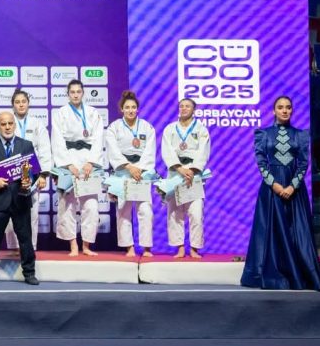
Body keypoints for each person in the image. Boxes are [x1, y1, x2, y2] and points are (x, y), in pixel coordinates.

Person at [241, 97, 320, 290]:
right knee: (271, 229)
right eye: (280, 107)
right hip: (271, 189)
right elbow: (261, 162)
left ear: (292, 110)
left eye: (288, 107)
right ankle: (270, 273)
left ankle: (298, 273)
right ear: (273, 111)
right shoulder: (263, 134)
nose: (284, 111)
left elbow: (303, 164)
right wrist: (274, 184)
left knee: (296, 230)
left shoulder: (301, 135)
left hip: (294, 189)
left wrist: (292, 186)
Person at [0, 111, 41, 286]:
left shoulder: (26, 145)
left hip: (21, 200)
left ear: (14, 125)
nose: (7, 127)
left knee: (25, 239)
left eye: (10, 123)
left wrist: (29, 181)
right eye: (3, 124)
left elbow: (35, 171)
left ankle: (29, 273)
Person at [50, 79, 105, 256]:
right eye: (72, 92)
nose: (75, 95)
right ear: (68, 94)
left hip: (88, 162)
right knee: (67, 205)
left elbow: (98, 138)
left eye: (78, 92)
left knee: (91, 206)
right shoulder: (60, 113)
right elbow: (57, 140)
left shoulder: (93, 113)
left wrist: (91, 162)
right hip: (68, 162)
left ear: (83, 93)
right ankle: (73, 245)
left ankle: (86, 246)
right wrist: (68, 164)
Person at [105, 90, 157, 257]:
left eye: (133, 107)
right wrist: (129, 167)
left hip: (141, 173)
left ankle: (147, 247)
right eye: (127, 107)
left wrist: (139, 169)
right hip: (123, 172)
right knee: (123, 211)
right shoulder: (114, 127)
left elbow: (150, 152)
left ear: (138, 109)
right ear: (122, 109)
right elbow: (113, 151)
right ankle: (129, 247)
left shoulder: (147, 127)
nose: (130, 110)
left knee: (146, 211)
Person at [160, 98, 211, 259]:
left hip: (194, 174)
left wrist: (192, 170)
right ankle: (180, 248)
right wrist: (180, 168)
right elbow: (167, 151)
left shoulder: (201, 129)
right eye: (181, 106)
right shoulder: (170, 129)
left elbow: (203, 152)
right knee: (175, 213)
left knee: (196, 213)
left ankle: (195, 248)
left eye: (187, 106)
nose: (183, 108)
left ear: (194, 110)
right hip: (176, 173)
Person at [5, 89, 52, 253]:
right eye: (17, 102)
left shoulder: (37, 124)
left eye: (23, 101)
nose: (21, 105)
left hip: (32, 173)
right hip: (12, 173)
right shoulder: (8, 123)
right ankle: (14, 246)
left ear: (28, 103)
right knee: (11, 211)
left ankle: (30, 247)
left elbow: (45, 149)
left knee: (32, 213)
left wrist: (43, 175)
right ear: (13, 105)